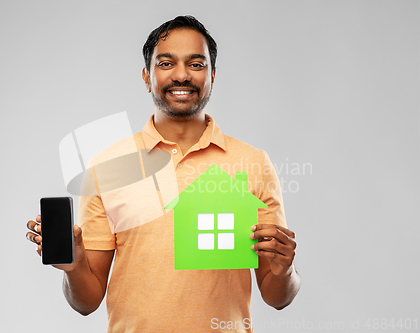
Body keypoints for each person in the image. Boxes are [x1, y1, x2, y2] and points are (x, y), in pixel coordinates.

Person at [26, 15, 300, 332]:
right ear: (147, 77)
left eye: (196, 64)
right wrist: (73, 268)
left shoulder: (253, 163)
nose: (181, 75)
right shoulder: (108, 166)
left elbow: (277, 296)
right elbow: (86, 303)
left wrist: (285, 271)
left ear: (213, 75)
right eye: (166, 63)